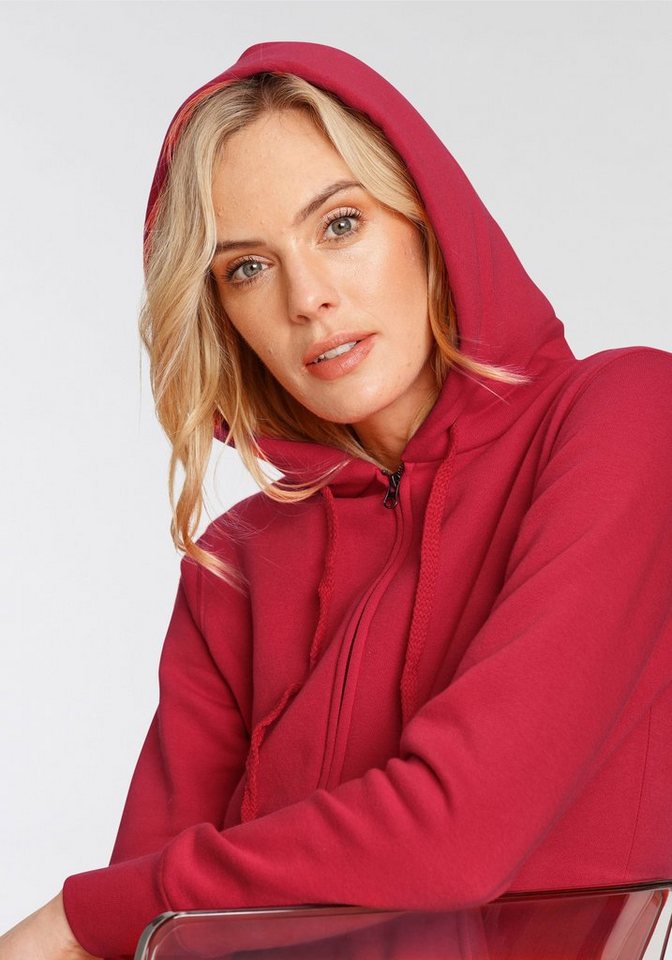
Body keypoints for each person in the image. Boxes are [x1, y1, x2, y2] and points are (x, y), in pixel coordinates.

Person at [2, 39, 672, 960]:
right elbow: (150, 938)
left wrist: (72, 916)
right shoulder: (235, 565)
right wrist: (108, 919)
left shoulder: (625, 420)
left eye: (340, 224)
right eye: (247, 268)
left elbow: (457, 834)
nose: (308, 297)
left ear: (426, 219)